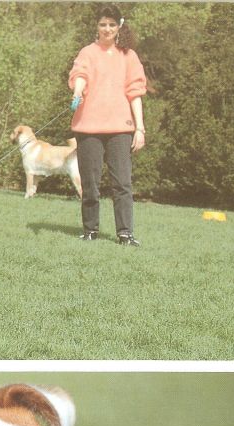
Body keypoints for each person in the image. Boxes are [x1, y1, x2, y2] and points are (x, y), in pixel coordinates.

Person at [68, 5, 147, 246]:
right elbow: (80, 74)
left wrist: (139, 128)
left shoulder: (129, 56)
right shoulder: (88, 52)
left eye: (112, 24)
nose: (107, 29)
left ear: (119, 26)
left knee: (122, 183)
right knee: (90, 184)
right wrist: (78, 92)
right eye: (103, 24)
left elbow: (135, 93)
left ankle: (125, 233)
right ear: (97, 26)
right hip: (88, 128)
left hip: (120, 129)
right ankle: (90, 230)